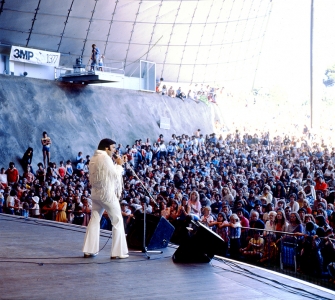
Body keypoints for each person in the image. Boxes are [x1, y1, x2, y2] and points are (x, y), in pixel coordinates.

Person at [82, 138, 129, 259]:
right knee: (117, 220)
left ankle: (89, 250)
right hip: (107, 194)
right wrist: (119, 165)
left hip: (96, 194)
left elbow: (106, 172)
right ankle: (118, 252)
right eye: (113, 148)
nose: (114, 151)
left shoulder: (94, 158)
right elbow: (114, 175)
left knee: (94, 219)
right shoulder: (105, 158)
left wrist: (116, 164)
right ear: (107, 148)